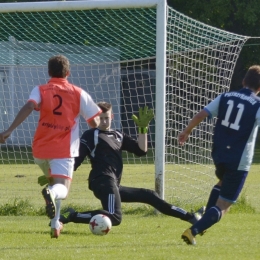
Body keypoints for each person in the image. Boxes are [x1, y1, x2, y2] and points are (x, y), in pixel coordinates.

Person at [0, 55, 101, 239]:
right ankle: (50, 193)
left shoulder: (40, 89)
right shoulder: (78, 93)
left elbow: (29, 106)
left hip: (39, 149)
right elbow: (94, 122)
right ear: (68, 73)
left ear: (48, 72)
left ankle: (56, 224)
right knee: (61, 188)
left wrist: (9, 130)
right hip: (63, 150)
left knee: (55, 184)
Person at [57, 102, 204, 227]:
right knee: (115, 216)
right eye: (100, 118)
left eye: (106, 118)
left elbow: (141, 150)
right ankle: (72, 215)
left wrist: (142, 130)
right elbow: (77, 159)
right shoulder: (90, 135)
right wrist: (58, 174)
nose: (103, 121)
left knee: (149, 195)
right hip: (101, 180)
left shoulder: (118, 135)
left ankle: (191, 217)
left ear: (111, 117)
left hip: (113, 183)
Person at [178, 65, 260, 245]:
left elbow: (201, 114)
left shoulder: (225, 96)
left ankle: (203, 220)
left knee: (221, 182)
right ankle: (193, 230)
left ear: (243, 81)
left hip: (219, 154)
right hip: (239, 160)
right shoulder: (257, 104)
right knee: (224, 206)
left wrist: (187, 131)